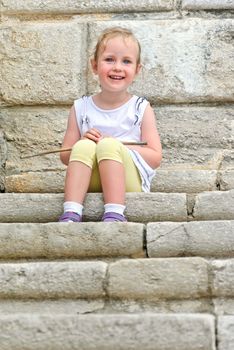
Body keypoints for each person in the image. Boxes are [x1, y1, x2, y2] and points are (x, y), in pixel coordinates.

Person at [59, 26, 162, 222]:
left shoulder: (141, 108)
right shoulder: (80, 107)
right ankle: (71, 212)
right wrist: (81, 142)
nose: (117, 67)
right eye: (109, 59)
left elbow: (155, 157)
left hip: (128, 180)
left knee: (107, 144)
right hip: (89, 180)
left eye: (126, 61)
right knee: (84, 145)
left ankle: (115, 213)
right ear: (95, 66)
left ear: (137, 69)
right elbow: (65, 156)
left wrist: (116, 145)